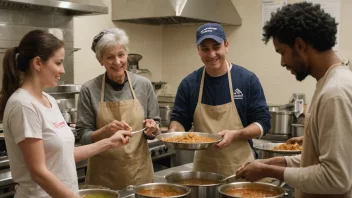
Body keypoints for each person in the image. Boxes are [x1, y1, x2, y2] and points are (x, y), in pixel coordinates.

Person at [235, 2, 352, 198]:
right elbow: (317, 163)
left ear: (300, 45)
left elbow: (336, 178)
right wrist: (273, 162)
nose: (282, 62)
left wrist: (268, 171)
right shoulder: (329, 83)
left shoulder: (334, 93)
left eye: (282, 52)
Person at [0, 30, 132, 198]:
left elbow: (64, 155)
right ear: (38, 63)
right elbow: (38, 173)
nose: (62, 70)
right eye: (58, 63)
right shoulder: (23, 105)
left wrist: (109, 142)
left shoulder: (49, 100)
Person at [168, 23, 271, 176]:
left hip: (241, 170)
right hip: (204, 173)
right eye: (205, 49)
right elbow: (180, 120)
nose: (211, 54)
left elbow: (263, 123)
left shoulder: (247, 79)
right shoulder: (189, 84)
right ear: (198, 51)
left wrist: (236, 134)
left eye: (216, 47)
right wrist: (174, 134)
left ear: (226, 45)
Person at [76, 28, 161, 190]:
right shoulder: (89, 89)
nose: (117, 62)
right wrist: (104, 131)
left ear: (127, 55)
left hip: (139, 174)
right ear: (100, 60)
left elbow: (155, 125)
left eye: (121, 55)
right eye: (110, 57)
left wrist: (152, 129)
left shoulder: (144, 85)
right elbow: (83, 136)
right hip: (103, 177)